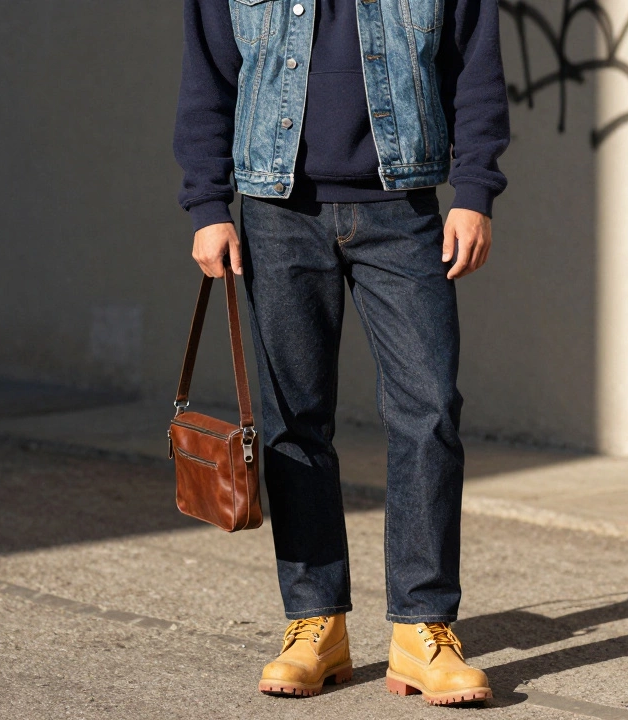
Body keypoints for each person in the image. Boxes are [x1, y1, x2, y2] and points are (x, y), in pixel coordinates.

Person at [173, 0, 509, 706]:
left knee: (430, 410)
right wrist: (207, 205)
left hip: (404, 208)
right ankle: (314, 623)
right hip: (276, 212)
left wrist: (474, 189)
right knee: (295, 419)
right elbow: (208, 74)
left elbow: (474, 62)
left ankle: (424, 628)